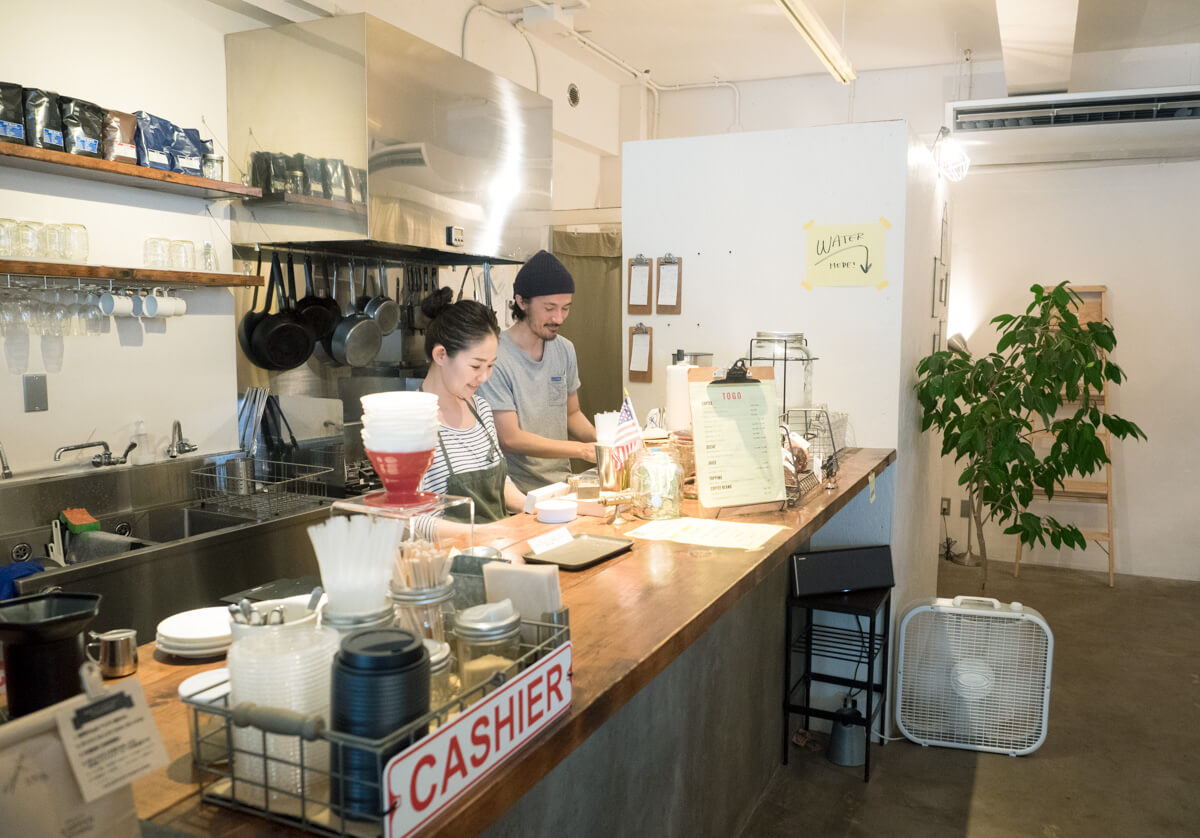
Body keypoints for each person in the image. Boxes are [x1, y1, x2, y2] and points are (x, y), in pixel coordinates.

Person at [477, 250, 596, 493]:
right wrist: (581, 450)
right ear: (522, 302)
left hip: (562, 486)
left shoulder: (564, 350)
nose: (559, 317)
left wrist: (606, 442)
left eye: (565, 308)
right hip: (516, 495)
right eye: (550, 308)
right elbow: (509, 439)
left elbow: (571, 414)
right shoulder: (496, 357)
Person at [413, 289, 525, 540]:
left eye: (491, 366)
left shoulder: (481, 409)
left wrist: (534, 507)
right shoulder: (412, 423)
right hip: (451, 565)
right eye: (475, 366)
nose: (484, 377)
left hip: (499, 549)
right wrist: (483, 533)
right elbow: (412, 520)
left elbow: (500, 484)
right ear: (441, 355)